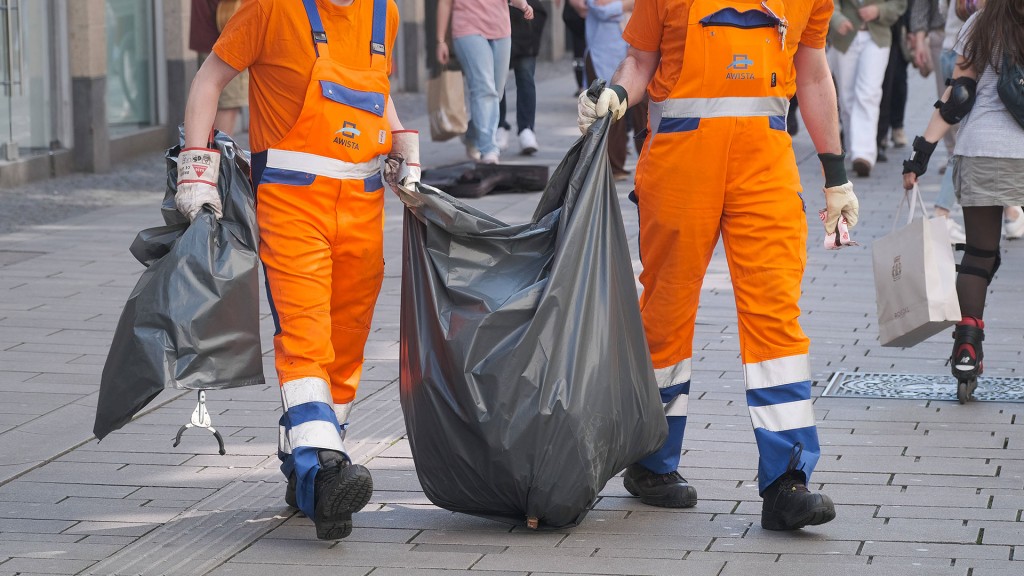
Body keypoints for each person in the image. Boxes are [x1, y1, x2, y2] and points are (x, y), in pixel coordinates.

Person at [578, 0, 856, 530]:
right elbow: (639, 60)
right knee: (666, 310)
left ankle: (788, 479)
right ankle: (650, 460)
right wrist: (615, 95)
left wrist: (836, 173)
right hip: (680, 160)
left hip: (766, 165)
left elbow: (814, 73)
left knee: (776, 312)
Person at [178, 0, 418, 540]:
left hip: (365, 209)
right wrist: (196, 169)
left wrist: (402, 141)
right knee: (306, 338)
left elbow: (376, 91)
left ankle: (304, 462)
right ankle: (325, 472)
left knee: (347, 343)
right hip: (291, 205)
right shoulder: (269, 8)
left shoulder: (383, 13)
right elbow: (210, 79)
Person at [902, 0, 1024, 400]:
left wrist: (920, 154)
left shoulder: (981, 22)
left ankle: (967, 349)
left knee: (978, 255)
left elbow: (959, 96)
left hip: (984, 149)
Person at [436, 0, 534, 164]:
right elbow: (445, 3)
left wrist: (524, 5)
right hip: (468, 29)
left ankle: (471, 134)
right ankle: (489, 149)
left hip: (501, 29)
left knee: (497, 93)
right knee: (484, 89)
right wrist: (441, 41)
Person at [829, 0, 909, 177]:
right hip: (844, 37)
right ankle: (854, 150)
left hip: (877, 37)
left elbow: (899, 4)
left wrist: (879, 10)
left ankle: (863, 154)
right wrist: (836, 18)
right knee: (847, 99)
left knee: (868, 94)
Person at [576, 0, 649, 182]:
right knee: (610, 111)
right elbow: (600, 8)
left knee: (645, 112)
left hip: (634, 56)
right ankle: (614, 167)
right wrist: (627, 5)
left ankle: (649, 165)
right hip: (603, 57)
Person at [189, 0, 249, 135]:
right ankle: (219, 149)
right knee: (228, 104)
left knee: (222, 102)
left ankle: (211, 146)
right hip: (224, 39)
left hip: (216, 34)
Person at [497, 0, 548, 155]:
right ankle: (499, 125)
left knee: (525, 75)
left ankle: (526, 129)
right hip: (496, 17)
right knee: (497, 76)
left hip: (525, 18)